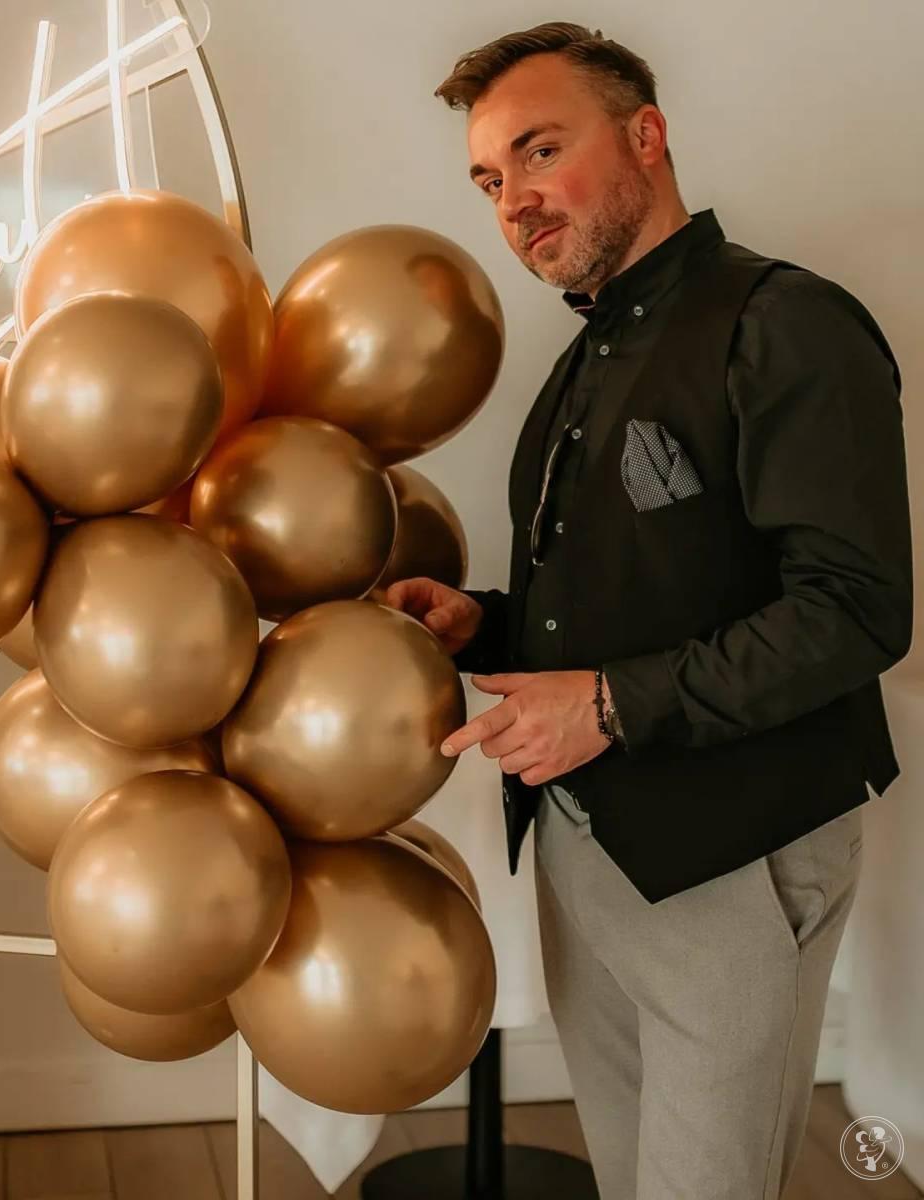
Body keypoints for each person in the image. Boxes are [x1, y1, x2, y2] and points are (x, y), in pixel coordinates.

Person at [385, 21, 912, 1200]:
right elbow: (641, 595)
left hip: (735, 850)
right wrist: (485, 625)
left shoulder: (787, 322)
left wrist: (610, 707)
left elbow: (857, 612)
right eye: (489, 179)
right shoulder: (580, 361)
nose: (515, 199)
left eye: (540, 150)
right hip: (587, 844)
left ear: (646, 136)